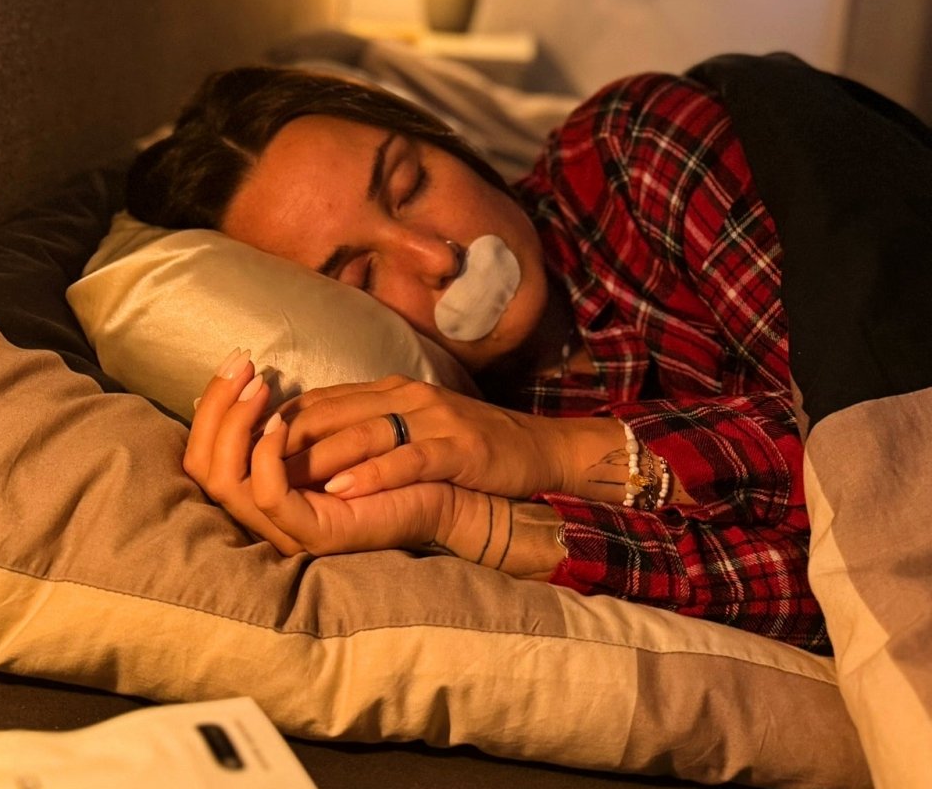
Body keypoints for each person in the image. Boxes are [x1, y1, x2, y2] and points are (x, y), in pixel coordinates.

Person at [126, 64, 826, 652]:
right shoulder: (447, 454)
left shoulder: (635, 152)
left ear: (444, 142)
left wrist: (550, 452)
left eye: (411, 185)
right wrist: (461, 521)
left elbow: (864, 450)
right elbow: (823, 592)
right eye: (362, 278)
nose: (437, 257)